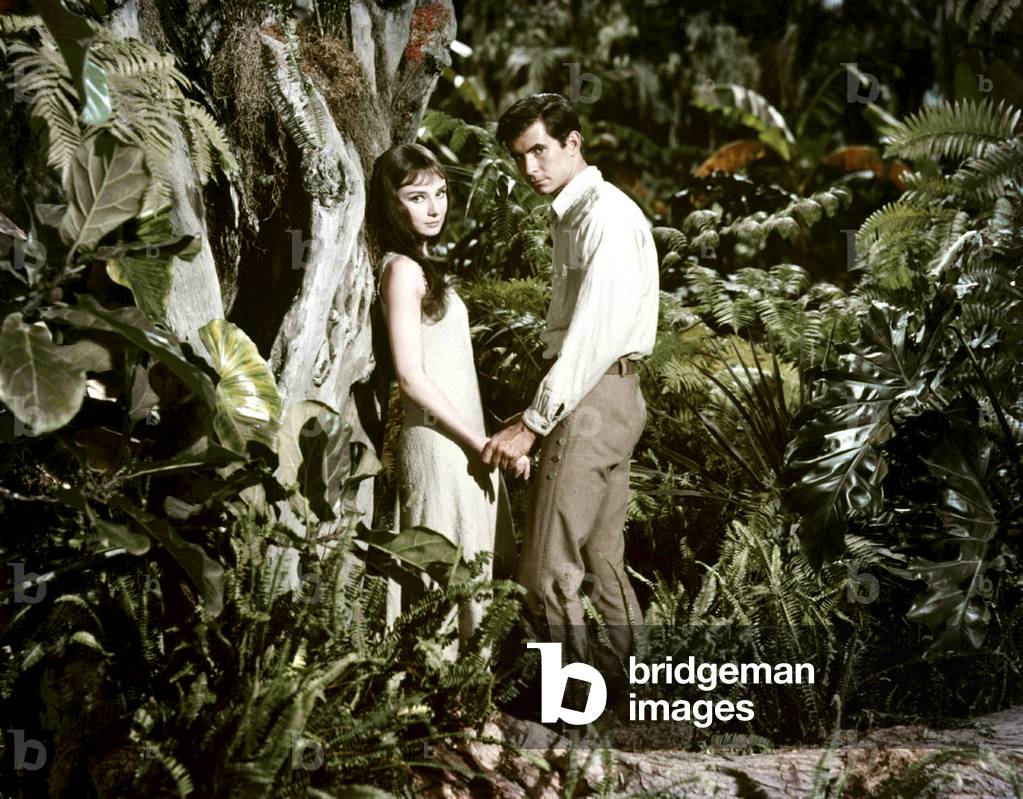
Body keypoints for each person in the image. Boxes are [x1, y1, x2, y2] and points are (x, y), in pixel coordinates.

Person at [483, 94, 659, 670]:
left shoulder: (601, 217)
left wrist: (535, 425)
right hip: (615, 397)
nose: (530, 168)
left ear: (572, 143)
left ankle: (570, 715)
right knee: (605, 565)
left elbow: (589, 340)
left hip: (593, 396)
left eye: (540, 151)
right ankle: (651, 703)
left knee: (544, 572)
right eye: (520, 157)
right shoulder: (579, 212)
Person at [366, 143, 525, 650]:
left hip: (461, 440)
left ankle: (466, 703)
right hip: (438, 444)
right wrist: (479, 442)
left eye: (440, 193)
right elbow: (410, 379)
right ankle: (442, 707)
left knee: (469, 572)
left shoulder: (423, 266)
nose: (434, 208)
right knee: (443, 576)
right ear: (393, 203)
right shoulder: (403, 271)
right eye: (417, 197)